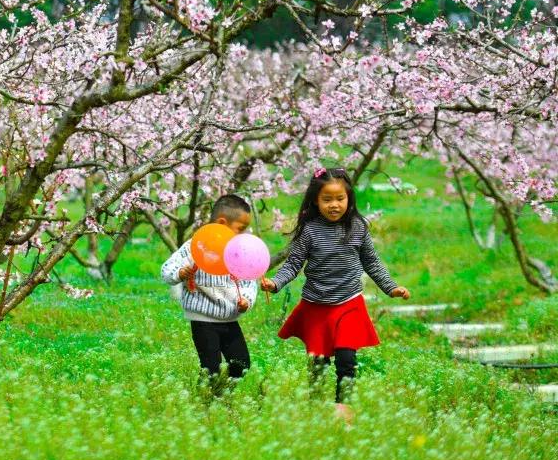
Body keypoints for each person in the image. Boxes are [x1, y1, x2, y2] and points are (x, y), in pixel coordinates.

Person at [260, 167, 410, 414]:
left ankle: (344, 409)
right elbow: (294, 263)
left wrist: (391, 288)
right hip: (317, 305)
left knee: (346, 359)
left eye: (340, 198)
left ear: (349, 198)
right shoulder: (310, 231)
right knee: (318, 362)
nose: (334, 205)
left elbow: (371, 261)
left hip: (349, 302)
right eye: (327, 199)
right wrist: (276, 283)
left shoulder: (358, 227)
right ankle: (317, 409)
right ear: (315, 201)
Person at [161, 194, 257, 390]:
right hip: (203, 319)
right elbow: (166, 269)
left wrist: (246, 299)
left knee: (242, 364)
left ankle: (222, 392)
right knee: (210, 368)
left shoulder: (239, 252)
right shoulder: (195, 246)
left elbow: (249, 281)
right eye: (240, 229)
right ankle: (205, 397)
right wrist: (180, 272)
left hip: (229, 319)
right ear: (222, 223)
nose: (243, 234)